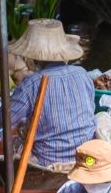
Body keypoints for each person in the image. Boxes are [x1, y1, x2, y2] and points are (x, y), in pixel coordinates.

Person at [7, 19, 100, 169]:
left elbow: (5, 120)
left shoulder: (32, 82)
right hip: (85, 154)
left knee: (12, 139)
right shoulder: (82, 74)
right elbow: (89, 110)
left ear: (33, 58)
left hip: (48, 160)